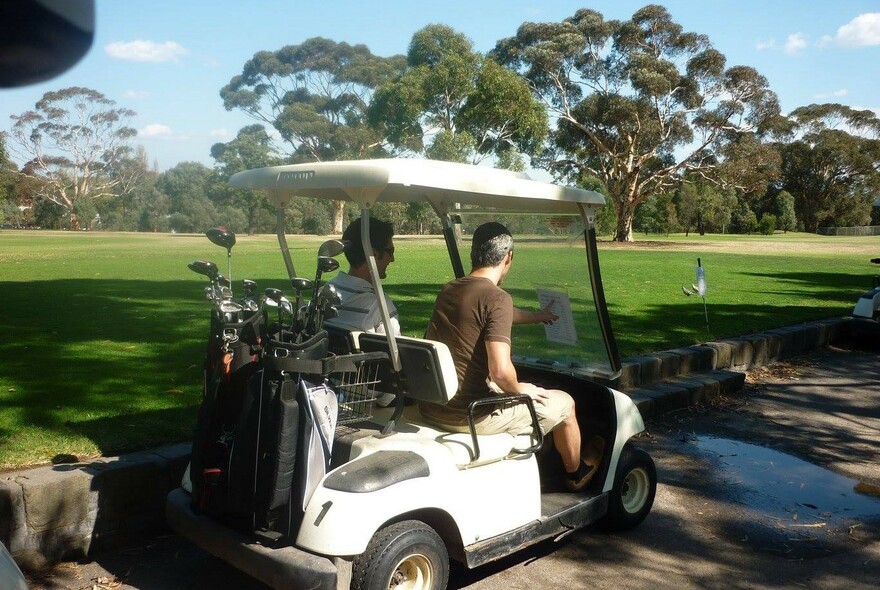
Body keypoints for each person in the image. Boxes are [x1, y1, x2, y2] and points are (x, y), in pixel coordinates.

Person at [419, 222, 602, 492]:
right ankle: (576, 473)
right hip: (469, 416)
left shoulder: (451, 289)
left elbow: (496, 315)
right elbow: (501, 372)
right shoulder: (496, 297)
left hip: (434, 406)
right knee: (566, 404)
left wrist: (537, 317)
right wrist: (519, 390)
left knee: (512, 390)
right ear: (508, 257)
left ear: (474, 255)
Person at [328, 217, 400, 336]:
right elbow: (395, 351)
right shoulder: (380, 306)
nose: (392, 259)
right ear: (373, 253)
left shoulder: (326, 292)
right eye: (390, 251)